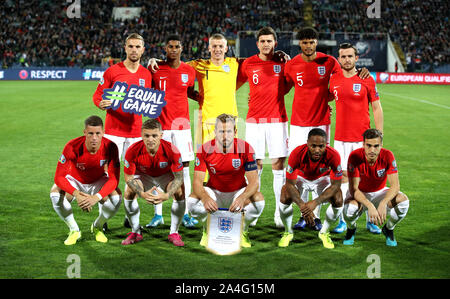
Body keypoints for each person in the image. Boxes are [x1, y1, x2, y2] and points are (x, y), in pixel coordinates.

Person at [284, 27, 368, 229]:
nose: (308, 45)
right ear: (299, 44)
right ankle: (304, 216)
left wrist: (362, 71)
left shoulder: (329, 62)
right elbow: (282, 88)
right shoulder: (291, 65)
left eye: (311, 41)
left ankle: (317, 216)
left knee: (321, 173)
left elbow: (344, 81)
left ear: (316, 42)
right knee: (301, 172)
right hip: (297, 124)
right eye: (304, 42)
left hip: (321, 122)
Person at [92, 33, 152, 229]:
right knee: (109, 177)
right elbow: (97, 95)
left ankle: (130, 219)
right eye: (131, 46)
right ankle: (104, 220)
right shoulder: (112, 72)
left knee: (133, 178)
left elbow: (149, 101)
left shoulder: (146, 74)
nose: (134, 50)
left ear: (143, 50)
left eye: (137, 47)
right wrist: (100, 103)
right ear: (125, 48)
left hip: (135, 134)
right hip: (113, 133)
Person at [144, 34, 199, 229]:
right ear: (165, 49)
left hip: (182, 128)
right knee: (158, 169)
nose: (173, 49)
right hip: (161, 128)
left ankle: (185, 213)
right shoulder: (155, 69)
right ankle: (158, 214)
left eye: (177, 46)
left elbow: (190, 92)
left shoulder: (189, 71)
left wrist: (203, 99)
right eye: (170, 46)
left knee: (184, 170)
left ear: (182, 48)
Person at [329, 42, 384, 234]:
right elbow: (326, 97)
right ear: (339, 58)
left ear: (356, 58)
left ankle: (371, 219)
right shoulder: (333, 79)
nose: (346, 60)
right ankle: (344, 220)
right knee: (343, 177)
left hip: (363, 139)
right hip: (340, 138)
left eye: (349, 56)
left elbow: (376, 107)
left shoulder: (366, 79)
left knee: (365, 179)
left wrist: (379, 135)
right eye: (342, 56)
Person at [187, 114, 265, 248]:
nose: (225, 135)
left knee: (259, 200)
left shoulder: (246, 148)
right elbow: (197, 182)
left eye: (228, 131)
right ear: (215, 132)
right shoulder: (205, 149)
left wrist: (242, 197)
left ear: (235, 132)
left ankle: (242, 230)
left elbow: (254, 182)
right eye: (221, 131)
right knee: (191, 202)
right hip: (214, 193)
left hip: (238, 193)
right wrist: (205, 198)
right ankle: (207, 230)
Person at [237, 27, 289, 228]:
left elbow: (291, 83)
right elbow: (236, 80)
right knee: (254, 166)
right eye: (262, 41)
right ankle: (253, 209)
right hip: (254, 122)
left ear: (275, 43)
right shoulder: (248, 63)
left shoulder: (282, 62)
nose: (266, 44)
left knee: (278, 166)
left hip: (278, 120)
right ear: (257, 44)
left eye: (269, 41)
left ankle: (278, 212)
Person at [50, 115, 121, 245]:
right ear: (84, 133)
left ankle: (98, 226)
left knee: (116, 198)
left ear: (103, 133)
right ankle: (74, 230)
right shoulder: (72, 146)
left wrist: (96, 197)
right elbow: (59, 177)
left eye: (98, 133)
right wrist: (77, 194)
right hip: (75, 180)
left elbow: (114, 179)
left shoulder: (111, 147)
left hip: (98, 180)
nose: (94, 138)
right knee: (55, 194)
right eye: (90, 133)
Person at [121, 119, 186, 247]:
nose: (150, 139)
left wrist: (167, 195)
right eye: (147, 136)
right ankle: (135, 231)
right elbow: (129, 178)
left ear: (161, 135)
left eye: (154, 135)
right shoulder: (132, 150)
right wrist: (141, 193)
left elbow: (179, 178)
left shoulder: (172, 150)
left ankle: (174, 232)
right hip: (144, 175)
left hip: (164, 175)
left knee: (179, 192)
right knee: (129, 192)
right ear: (142, 135)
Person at [278, 128, 343, 249]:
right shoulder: (296, 153)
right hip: (301, 178)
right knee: (285, 193)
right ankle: (288, 232)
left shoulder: (333, 155)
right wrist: (303, 206)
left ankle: (324, 232)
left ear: (326, 145)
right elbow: (289, 184)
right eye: (313, 146)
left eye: (321, 146)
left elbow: (336, 185)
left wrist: (316, 202)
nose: (317, 150)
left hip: (322, 179)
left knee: (338, 198)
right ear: (307, 143)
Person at [343, 129, 410, 247]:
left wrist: (383, 203)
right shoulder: (355, 156)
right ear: (363, 144)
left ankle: (389, 229)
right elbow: (354, 189)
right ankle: (351, 229)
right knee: (349, 210)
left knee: (403, 202)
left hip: (380, 193)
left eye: (376, 146)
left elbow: (395, 185)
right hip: (361, 194)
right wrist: (369, 206)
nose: (372, 150)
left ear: (381, 145)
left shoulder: (388, 155)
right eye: (368, 146)